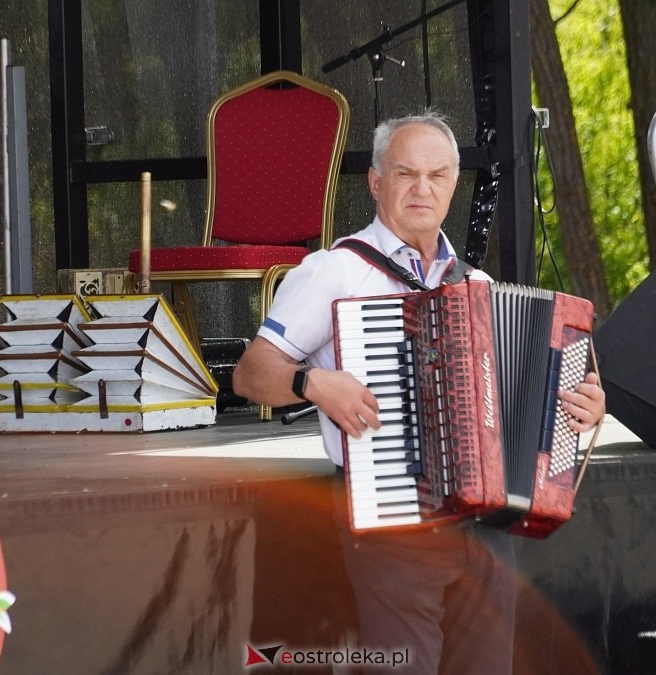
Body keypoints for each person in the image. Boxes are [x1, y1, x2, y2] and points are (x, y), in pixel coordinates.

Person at [232, 110, 605, 674]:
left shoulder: (476, 286)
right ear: (376, 181)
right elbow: (250, 374)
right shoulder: (335, 272)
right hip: (394, 522)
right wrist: (311, 382)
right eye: (406, 174)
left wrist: (580, 409)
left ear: (454, 184)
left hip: (486, 528)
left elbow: (527, 412)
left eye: (437, 175)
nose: (422, 189)